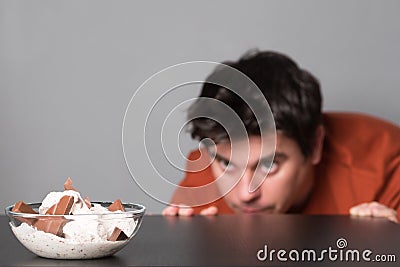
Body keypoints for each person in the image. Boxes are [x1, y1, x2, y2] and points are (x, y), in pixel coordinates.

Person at [162, 50, 400, 222]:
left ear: (315, 145)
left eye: (268, 164)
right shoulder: (202, 183)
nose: (246, 194)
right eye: (227, 164)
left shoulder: (386, 164)